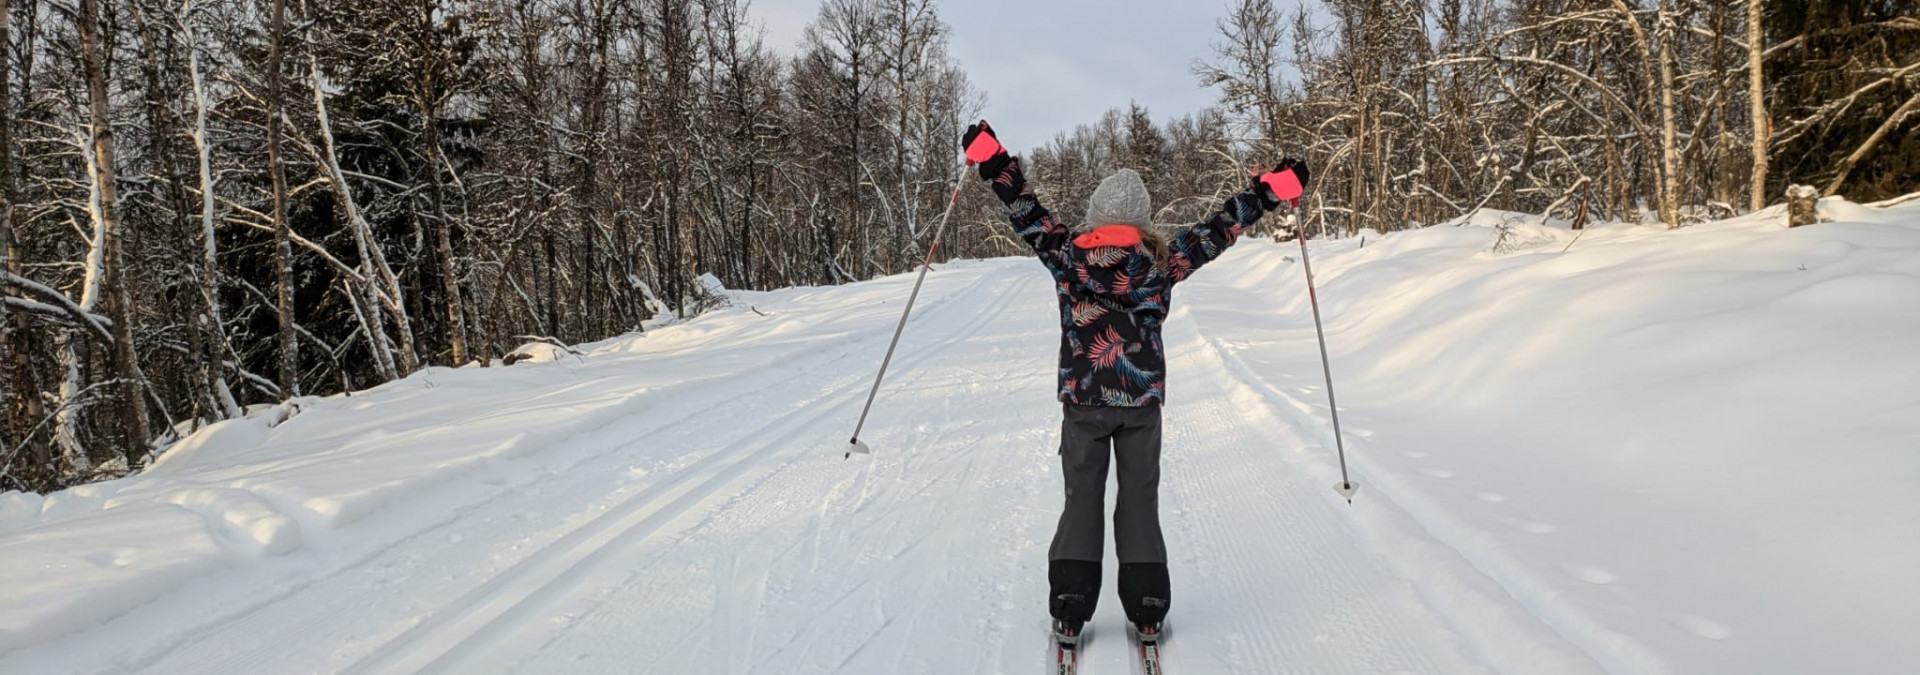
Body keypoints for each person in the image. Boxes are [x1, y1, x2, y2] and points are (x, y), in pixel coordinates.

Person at [960, 121, 1307, 645]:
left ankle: (1070, 606)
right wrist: (1266, 193)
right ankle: (1147, 605)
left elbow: (1025, 210)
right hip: (1141, 403)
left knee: (1082, 496)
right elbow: (1216, 232)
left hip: (1083, 401)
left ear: (1095, 216)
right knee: (1140, 497)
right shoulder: (1162, 263)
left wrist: (994, 161)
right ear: (1143, 224)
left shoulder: (1067, 256)